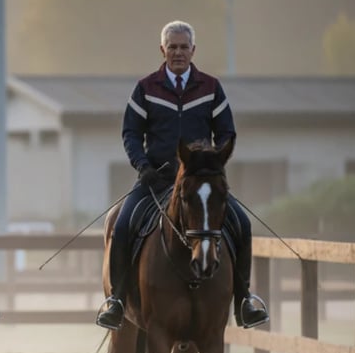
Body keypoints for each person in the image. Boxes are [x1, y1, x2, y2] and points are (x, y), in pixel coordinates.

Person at [96, 19, 268, 331]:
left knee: (241, 224)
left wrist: (212, 162)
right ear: (162, 50)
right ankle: (117, 300)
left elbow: (226, 132)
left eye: (183, 47)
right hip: (155, 180)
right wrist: (142, 165)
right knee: (121, 225)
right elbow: (130, 133)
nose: (178, 53)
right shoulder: (145, 88)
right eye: (172, 47)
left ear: (193, 50)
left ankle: (244, 300)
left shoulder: (211, 88)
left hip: (199, 180)